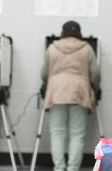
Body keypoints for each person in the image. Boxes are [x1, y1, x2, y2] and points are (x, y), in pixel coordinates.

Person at [41, 21, 101, 171]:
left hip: (56, 92)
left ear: (62, 32)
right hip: (79, 92)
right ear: (79, 33)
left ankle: (59, 168)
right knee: (77, 134)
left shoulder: (52, 48)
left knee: (57, 133)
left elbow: (44, 73)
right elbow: (95, 74)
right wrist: (95, 88)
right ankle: (73, 168)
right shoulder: (86, 48)